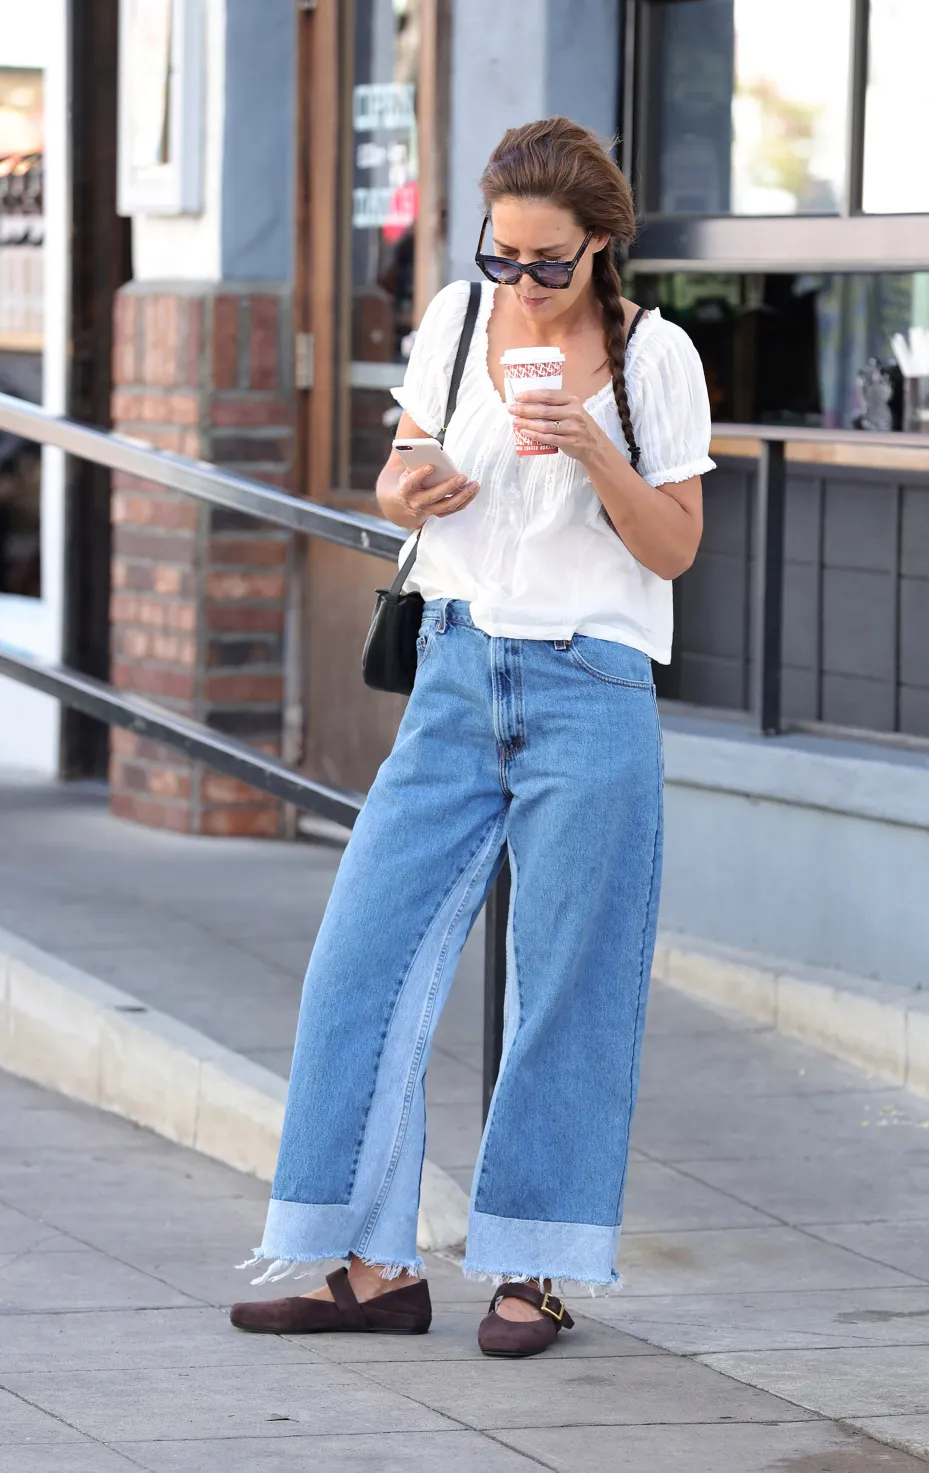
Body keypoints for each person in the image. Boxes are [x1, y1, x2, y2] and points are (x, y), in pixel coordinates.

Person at [231, 116, 713, 1358]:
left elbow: (672, 550)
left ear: (601, 249)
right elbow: (398, 467)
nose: (521, 284)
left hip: (589, 686)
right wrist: (407, 489)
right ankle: (369, 1265)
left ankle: (531, 1271)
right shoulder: (452, 319)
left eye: (547, 264)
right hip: (454, 670)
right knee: (359, 960)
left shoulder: (655, 357)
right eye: (503, 257)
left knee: (569, 986)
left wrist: (593, 449)